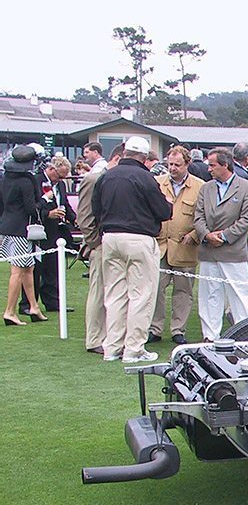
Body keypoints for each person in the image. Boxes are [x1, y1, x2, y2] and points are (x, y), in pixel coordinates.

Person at [94, 136, 173, 362]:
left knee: (115, 294)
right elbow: (163, 211)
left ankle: (112, 347)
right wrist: (167, 202)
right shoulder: (146, 178)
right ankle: (134, 348)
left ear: (125, 152)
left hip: (110, 237)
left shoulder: (106, 177)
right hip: (139, 238)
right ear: (145, 157)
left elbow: (95, 209)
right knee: (141, 295)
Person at [192, 146, 248, 340]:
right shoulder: (206, 188)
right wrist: (207, 235)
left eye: (212, 165)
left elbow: (247, 220)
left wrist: (224, 236)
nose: (208, 169)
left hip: (233, 253)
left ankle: (244, 339)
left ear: (225, 165)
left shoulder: (247, 188)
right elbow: (198, 217)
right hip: (208, 252)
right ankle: (209, 337)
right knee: (209, 296)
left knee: (239, 296)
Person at [149, 145, 202, 345]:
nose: (172, 168)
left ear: (187, 164)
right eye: (170, 164)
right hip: (160, 246)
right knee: (156, 289)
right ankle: (155, 328)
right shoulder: (156, 183)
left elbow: (206, 216)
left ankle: (178, 329)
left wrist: (196, 234)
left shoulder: (200, 186)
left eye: (177, 165)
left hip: (186, 248)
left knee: (183, 291)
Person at [79, 143, 122, 352]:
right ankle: (95, 339)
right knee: (98, 292)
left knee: (112, 292)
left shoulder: (113, 179)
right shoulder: (93, 179)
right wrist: (95, 243)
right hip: (100, 244)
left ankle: (108, 336)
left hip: (113, 244)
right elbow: (85, 217)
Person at [20, 156, 76, 315]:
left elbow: (64, 204)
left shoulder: (61, 185)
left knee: (53, 268)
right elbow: (31, 207)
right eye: (59, 176)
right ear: (51, 169)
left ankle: (52, 302)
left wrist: (74, 219)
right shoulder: (36, 181)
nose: (61, 180)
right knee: (34, 268)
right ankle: (27, 304)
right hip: (37, 230)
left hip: (56, 231)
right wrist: (47, 214)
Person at [0, 145, 46, 326]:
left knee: (28, 268)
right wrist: (43, 201)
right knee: (18, 270)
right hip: (22, 230)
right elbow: (31, 208)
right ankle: (9, 311)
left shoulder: (5, 178)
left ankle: (34, 306)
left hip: (8, 226)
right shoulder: (26, 181)